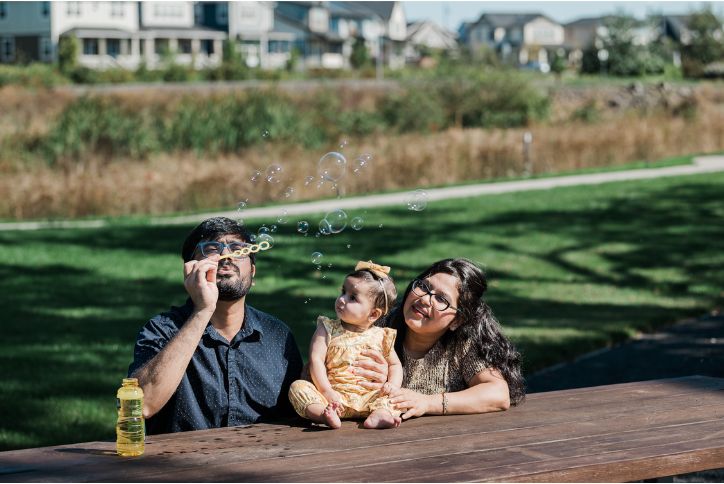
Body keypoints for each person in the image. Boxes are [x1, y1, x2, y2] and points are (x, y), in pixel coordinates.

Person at [128, 217, 303, 434]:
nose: (226, 257)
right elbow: (142, 405)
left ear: (253, 273)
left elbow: (300, 410)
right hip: (180, 466)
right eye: (212, 249)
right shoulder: (163, 330)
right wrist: (202, 310)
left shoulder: (277, 336)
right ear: (190, 270)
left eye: (238, 249)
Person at [352, 258, 525, 420]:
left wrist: (428, 402)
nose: (425, 299)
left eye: (441, 298)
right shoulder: (374, 330)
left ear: (457, 320)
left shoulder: (462, 344)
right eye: (424, 286)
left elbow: (498, 395)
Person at [288, 261, 402, 429]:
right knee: (298, 387)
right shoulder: (327, 328)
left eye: (352, 297)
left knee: (398, 398)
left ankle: (380, 414)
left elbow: (395, 364)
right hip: (334, 398)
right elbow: (316, 359)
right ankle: (323, 414)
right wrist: (326, 391)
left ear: (373, 314)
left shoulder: (382, 336)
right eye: (343, 292)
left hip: (370, 397)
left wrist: (392, 384)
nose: (341, 299)